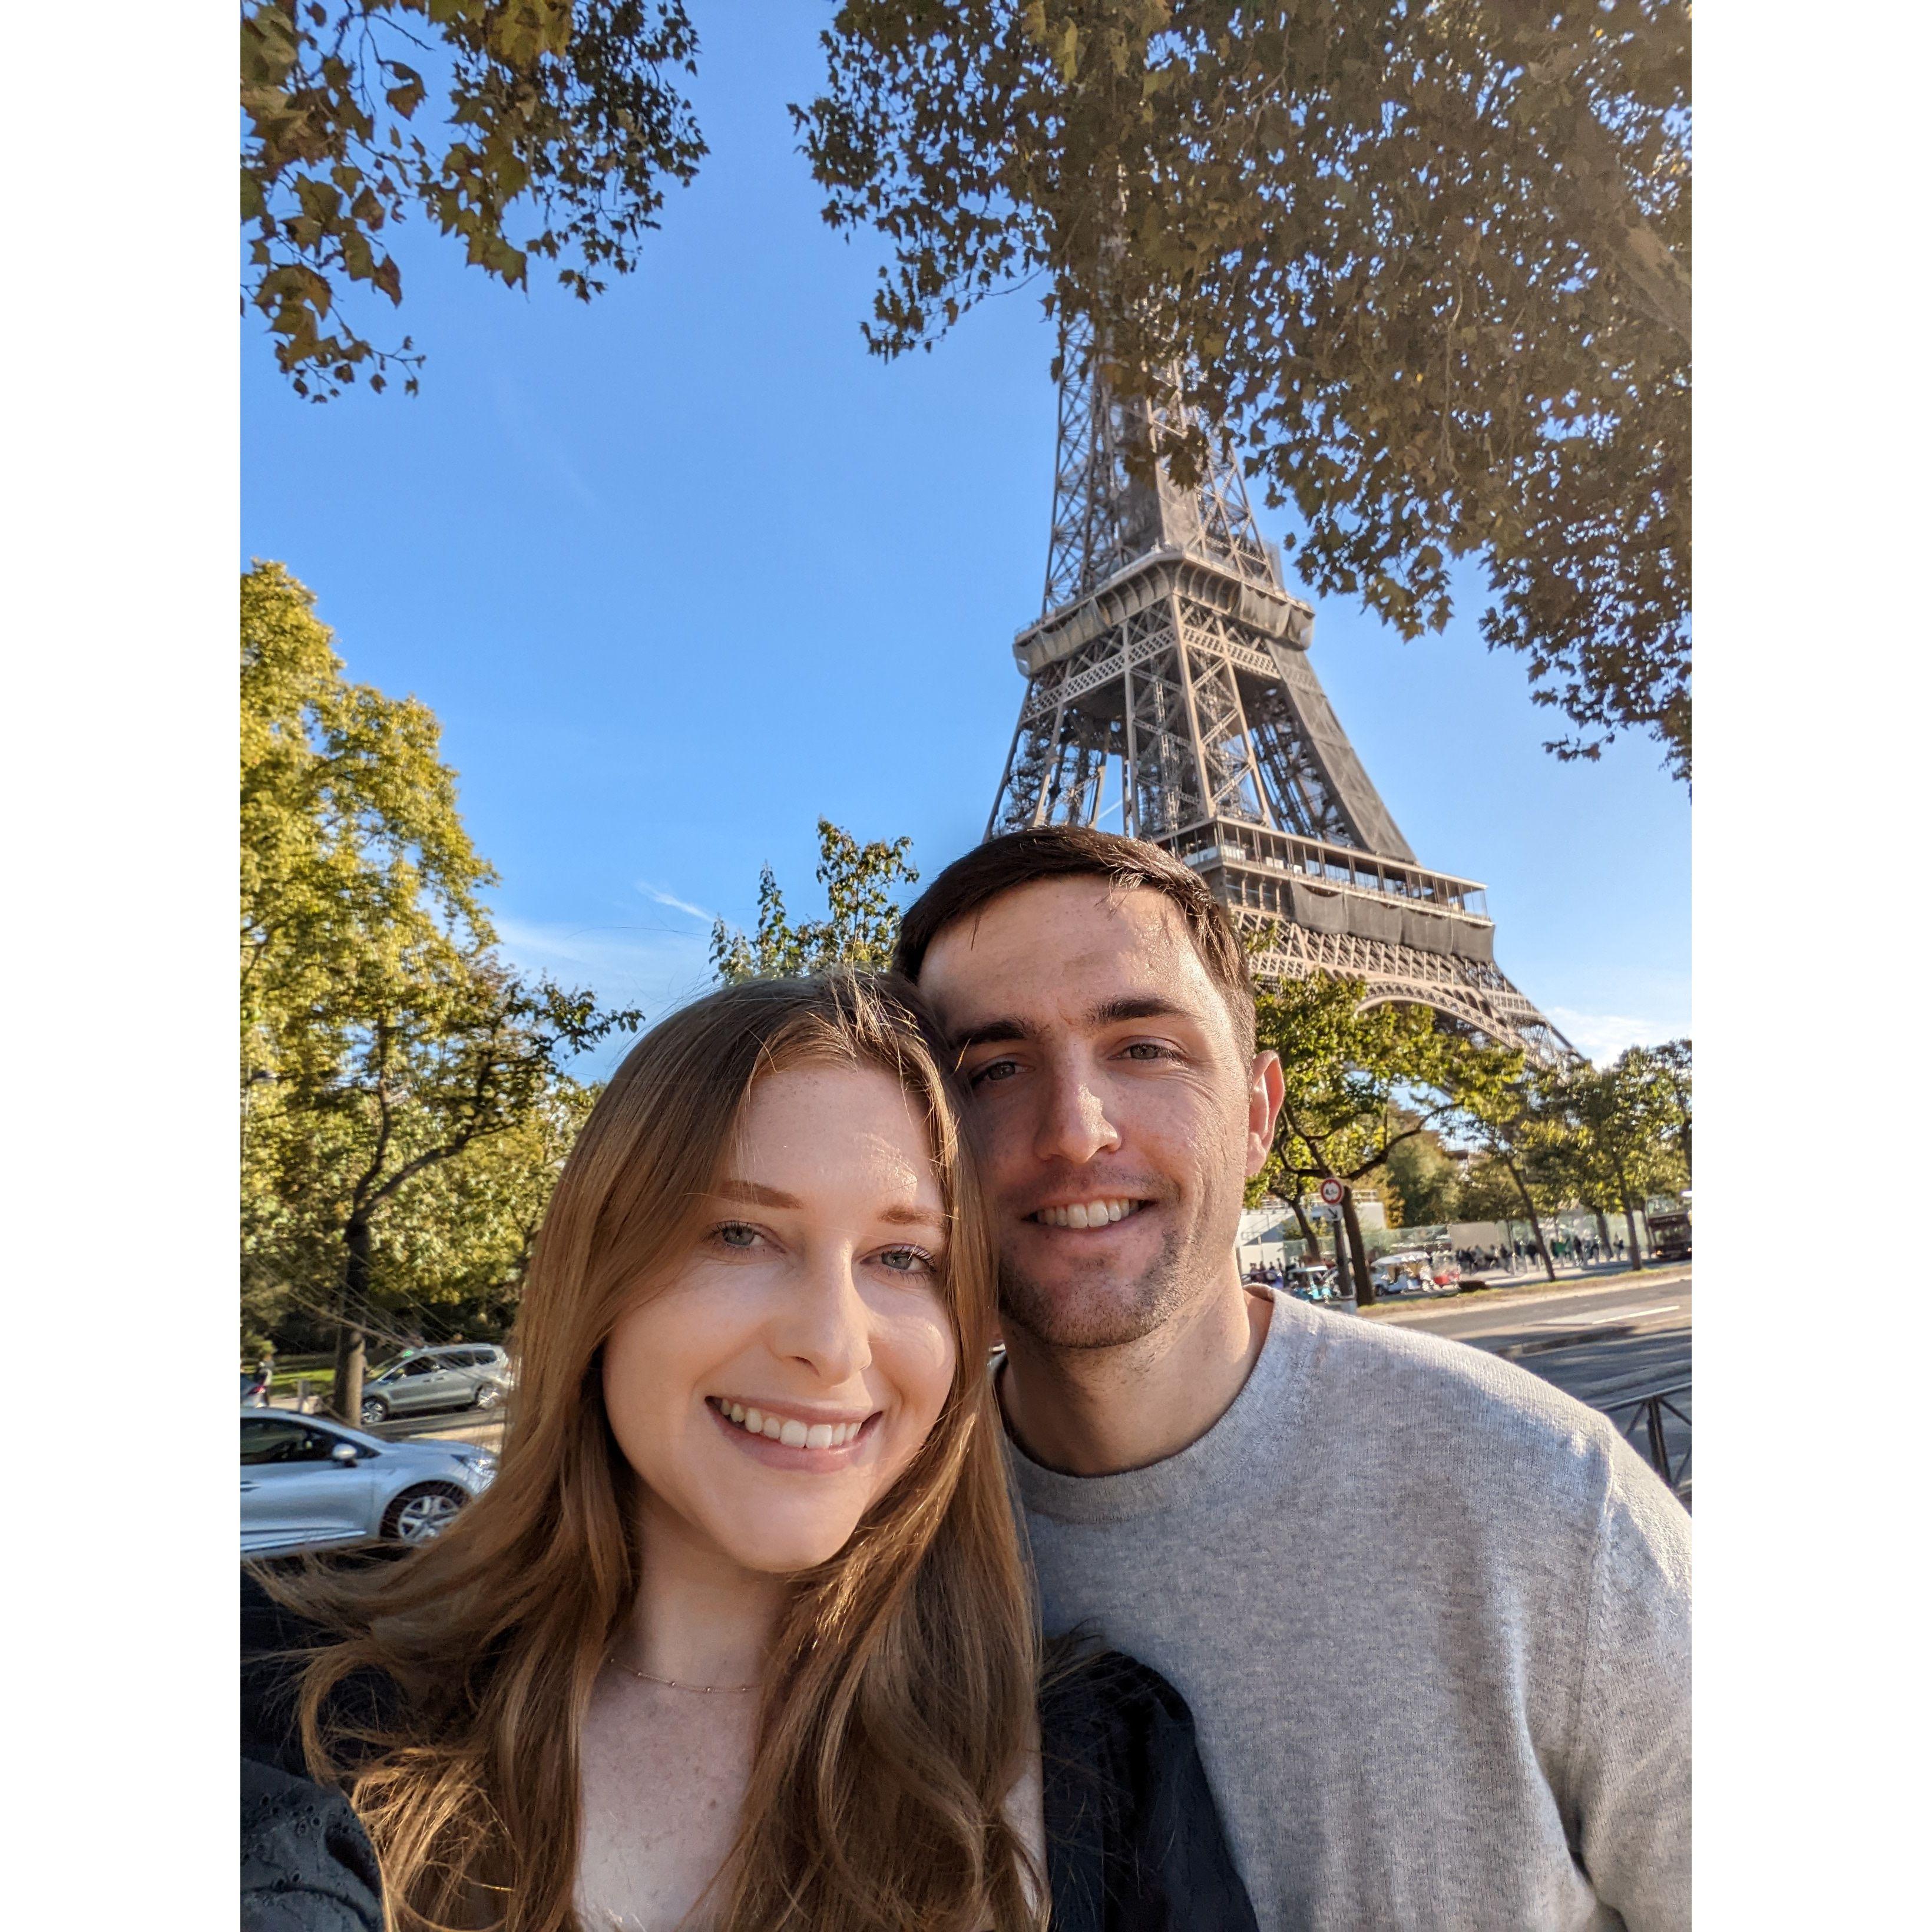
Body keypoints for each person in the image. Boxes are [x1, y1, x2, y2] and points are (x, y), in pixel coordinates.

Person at [242, 972, 1254, 1932]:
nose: (830, 1339)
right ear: (600, 1278)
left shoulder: (1109, 1755)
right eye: (739, 1235)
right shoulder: (285, 1699)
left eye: (905, 1258)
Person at [893, 827, 1692, 1931]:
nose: (1076, 1130)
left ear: (1261, 1114)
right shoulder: (870, 1545)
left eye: (1145, 1049)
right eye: (993, 1070)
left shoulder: (1555, 1503)